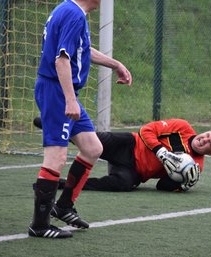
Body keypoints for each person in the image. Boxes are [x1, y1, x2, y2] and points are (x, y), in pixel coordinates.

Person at [28, 0, 133, 239]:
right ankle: (39, 225)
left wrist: (115, 64)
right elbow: (61, 60)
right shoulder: (74, 14)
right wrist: (69, 100)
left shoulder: (71, 10)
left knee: (93, 147)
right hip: (57, 91)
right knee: (57, 156)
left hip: (62, 91)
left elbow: (82, 50)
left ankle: (63, 206)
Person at [34, 117, 211, 193]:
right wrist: (160, 151)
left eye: (210, 143)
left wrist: (182, 185)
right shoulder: (183, 127)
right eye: (207, 135)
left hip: (134, 172)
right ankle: (52, 123)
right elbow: (147, 130)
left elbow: (161, 187)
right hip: (128, 144)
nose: (204, 140)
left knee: (121, 185)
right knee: (88, 139)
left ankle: (61, 183)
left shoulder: (195, 167)